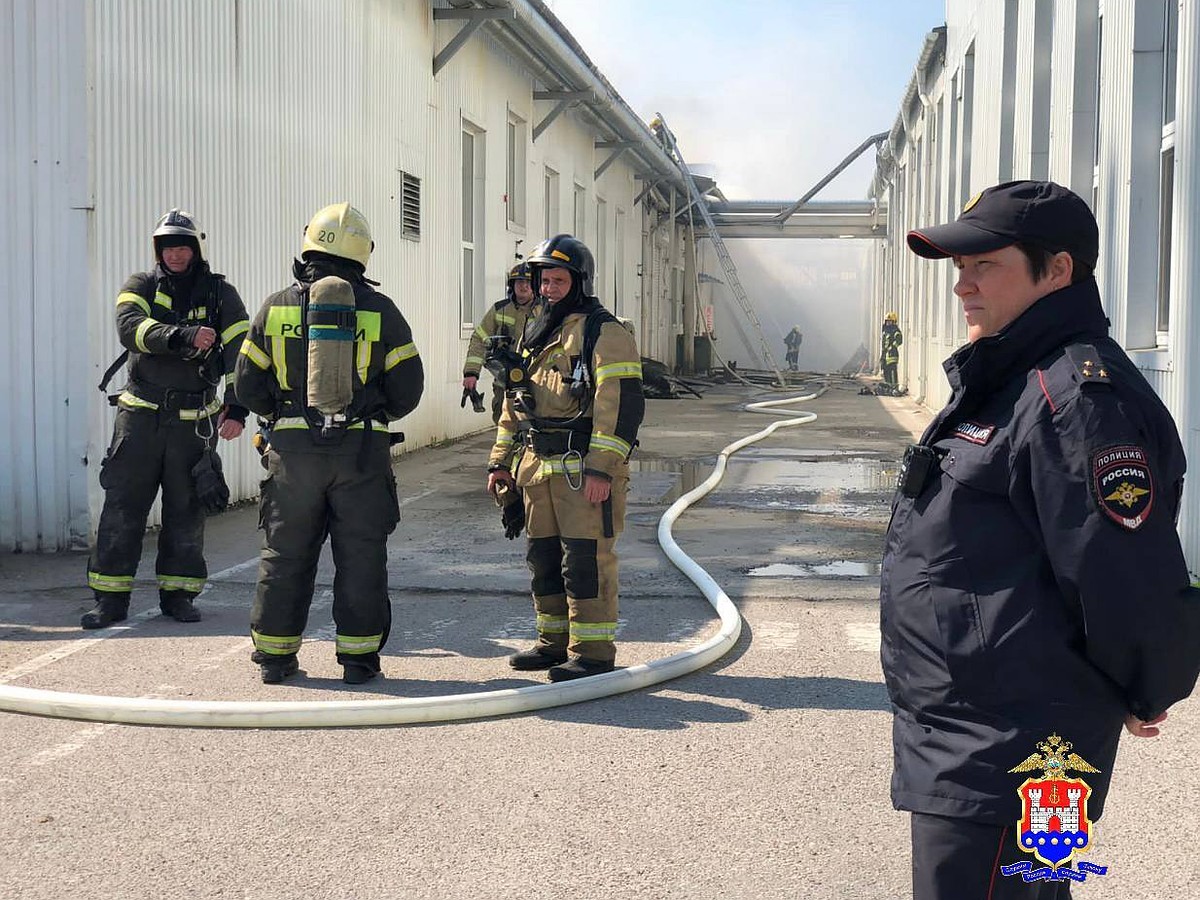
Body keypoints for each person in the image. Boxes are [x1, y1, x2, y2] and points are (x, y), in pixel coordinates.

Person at [883, 180, 1200, 899]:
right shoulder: (1009, 377)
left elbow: (1123, 571)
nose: (961, 285)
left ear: (1056, 270)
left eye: (984, 265)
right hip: (973, 731)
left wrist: (1150, 684)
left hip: (1017, 747)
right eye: (958, 268)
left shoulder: (1075, 400)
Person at [233, 203, 424, 685]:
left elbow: (247, 387)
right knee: (360, 554)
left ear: (308, 246)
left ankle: (275, 658)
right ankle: (358, 661)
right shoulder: (381, 310)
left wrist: (282, 412)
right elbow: (407, 392)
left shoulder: (275, 306)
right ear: (363, 254)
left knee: (285, 552)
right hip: (359, 455)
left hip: (293, 456)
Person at [486, 234, 644, 681]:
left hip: (583, 472)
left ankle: (593, 652)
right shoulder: (537, 331)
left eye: (558, 279)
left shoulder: (603, 331)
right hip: (537, 470)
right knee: (544, 561)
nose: (549, 288)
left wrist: (602, 469)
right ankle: (552, 643)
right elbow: (514, 404)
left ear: (578, 282)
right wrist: (500, 463)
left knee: (586, 562)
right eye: (543, 280)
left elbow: (621, 406)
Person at [83, 209, 249, 629]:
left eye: (183, 246)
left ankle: (178, 596)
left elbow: (240, 352)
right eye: (168, 247)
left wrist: (238, 408)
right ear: (158, 250)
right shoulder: (140, 285)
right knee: (123, 507)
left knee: (186, 510)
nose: (175, 254)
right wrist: (182, 336)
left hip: (194, 423)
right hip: (139, 419)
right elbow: (129, 328)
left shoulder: (219, 294)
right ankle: (110, 599)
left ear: (195, 249)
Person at [462, 261, 543, 423]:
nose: (524, 286)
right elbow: (479, 339)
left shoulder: (546, 311)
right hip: (504, 381)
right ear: (511, 285)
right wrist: (471, 373)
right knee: (503, 424)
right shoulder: (500, 309)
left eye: (528, 282)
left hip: (537, 382)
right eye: (519, 282)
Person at [880, 311, 902, 388]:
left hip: (892, 355)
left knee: (892, 370)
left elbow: (899, 340)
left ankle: (894, 386)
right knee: (885, 370)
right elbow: (883, 344)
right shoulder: (885, 332)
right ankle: (888, 386)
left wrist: (893, 347)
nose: (888, 323)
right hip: (885, 355)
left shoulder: (895, 331)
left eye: (890, 321)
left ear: (893, 322)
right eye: (887, 321)